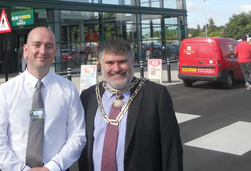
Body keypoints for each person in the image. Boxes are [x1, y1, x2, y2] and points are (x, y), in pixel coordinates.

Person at [0, 27, 86, 171]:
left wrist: (52, 167)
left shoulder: (68, 90)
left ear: (55, 52)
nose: (43, 51)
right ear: (25, 50)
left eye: (49, 46)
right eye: (37, 45)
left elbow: (78, 135)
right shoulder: (6, 91)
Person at [78, 38, 183, 171]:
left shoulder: (155, 95)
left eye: (122, 61)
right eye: (110, 62)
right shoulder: (89, 96)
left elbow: (171, 150)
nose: (116, 68)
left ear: (132, 62)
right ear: (101, 65)